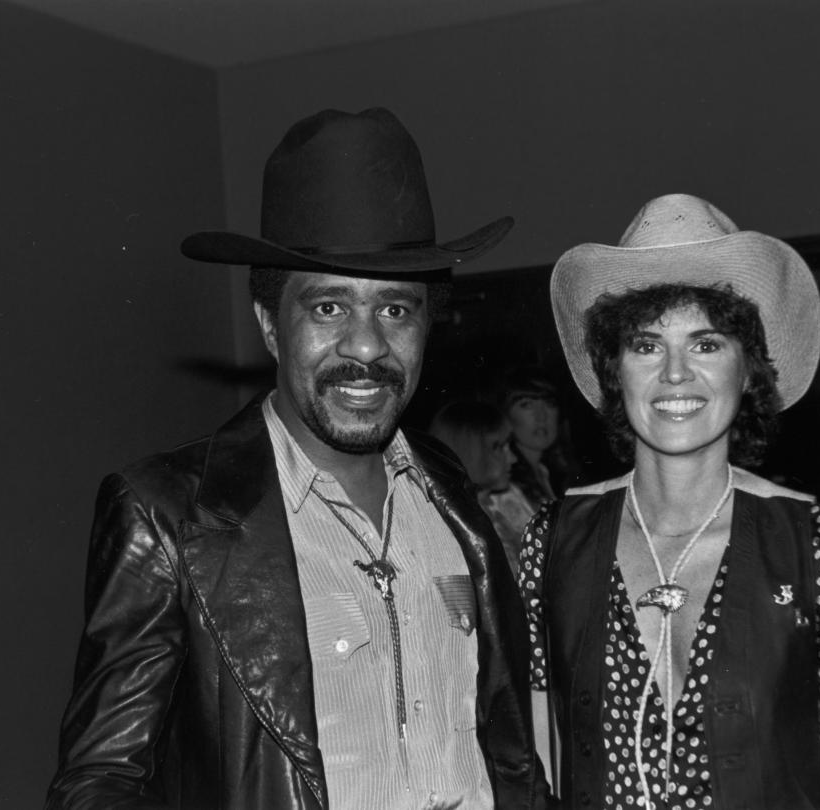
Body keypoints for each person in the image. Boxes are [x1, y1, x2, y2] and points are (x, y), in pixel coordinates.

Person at [44, 108, 547, 810]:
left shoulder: (455, 498)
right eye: (330, 309)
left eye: (396, 311)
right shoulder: (171, 515)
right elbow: (101, 782)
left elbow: (510, 755)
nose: (368, 348)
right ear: (268, 326)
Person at [521, 194, 820, 809]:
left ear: (748, 369)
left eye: (706, 344)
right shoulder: (555, 539)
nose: (675, 373)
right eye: (646, 345)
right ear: (613, 369)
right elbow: (537, 763)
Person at [428, 399, 528, 575]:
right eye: (498, 447)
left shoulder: (510, 498)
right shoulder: (445, 518)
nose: (513, 458)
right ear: (467, 449)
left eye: (509, 446)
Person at [500, 366, 576, 508]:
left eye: (549, 404)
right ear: (505, 414)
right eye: (527, 405)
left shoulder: (549, 472)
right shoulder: (504, 484)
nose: (541, 416)